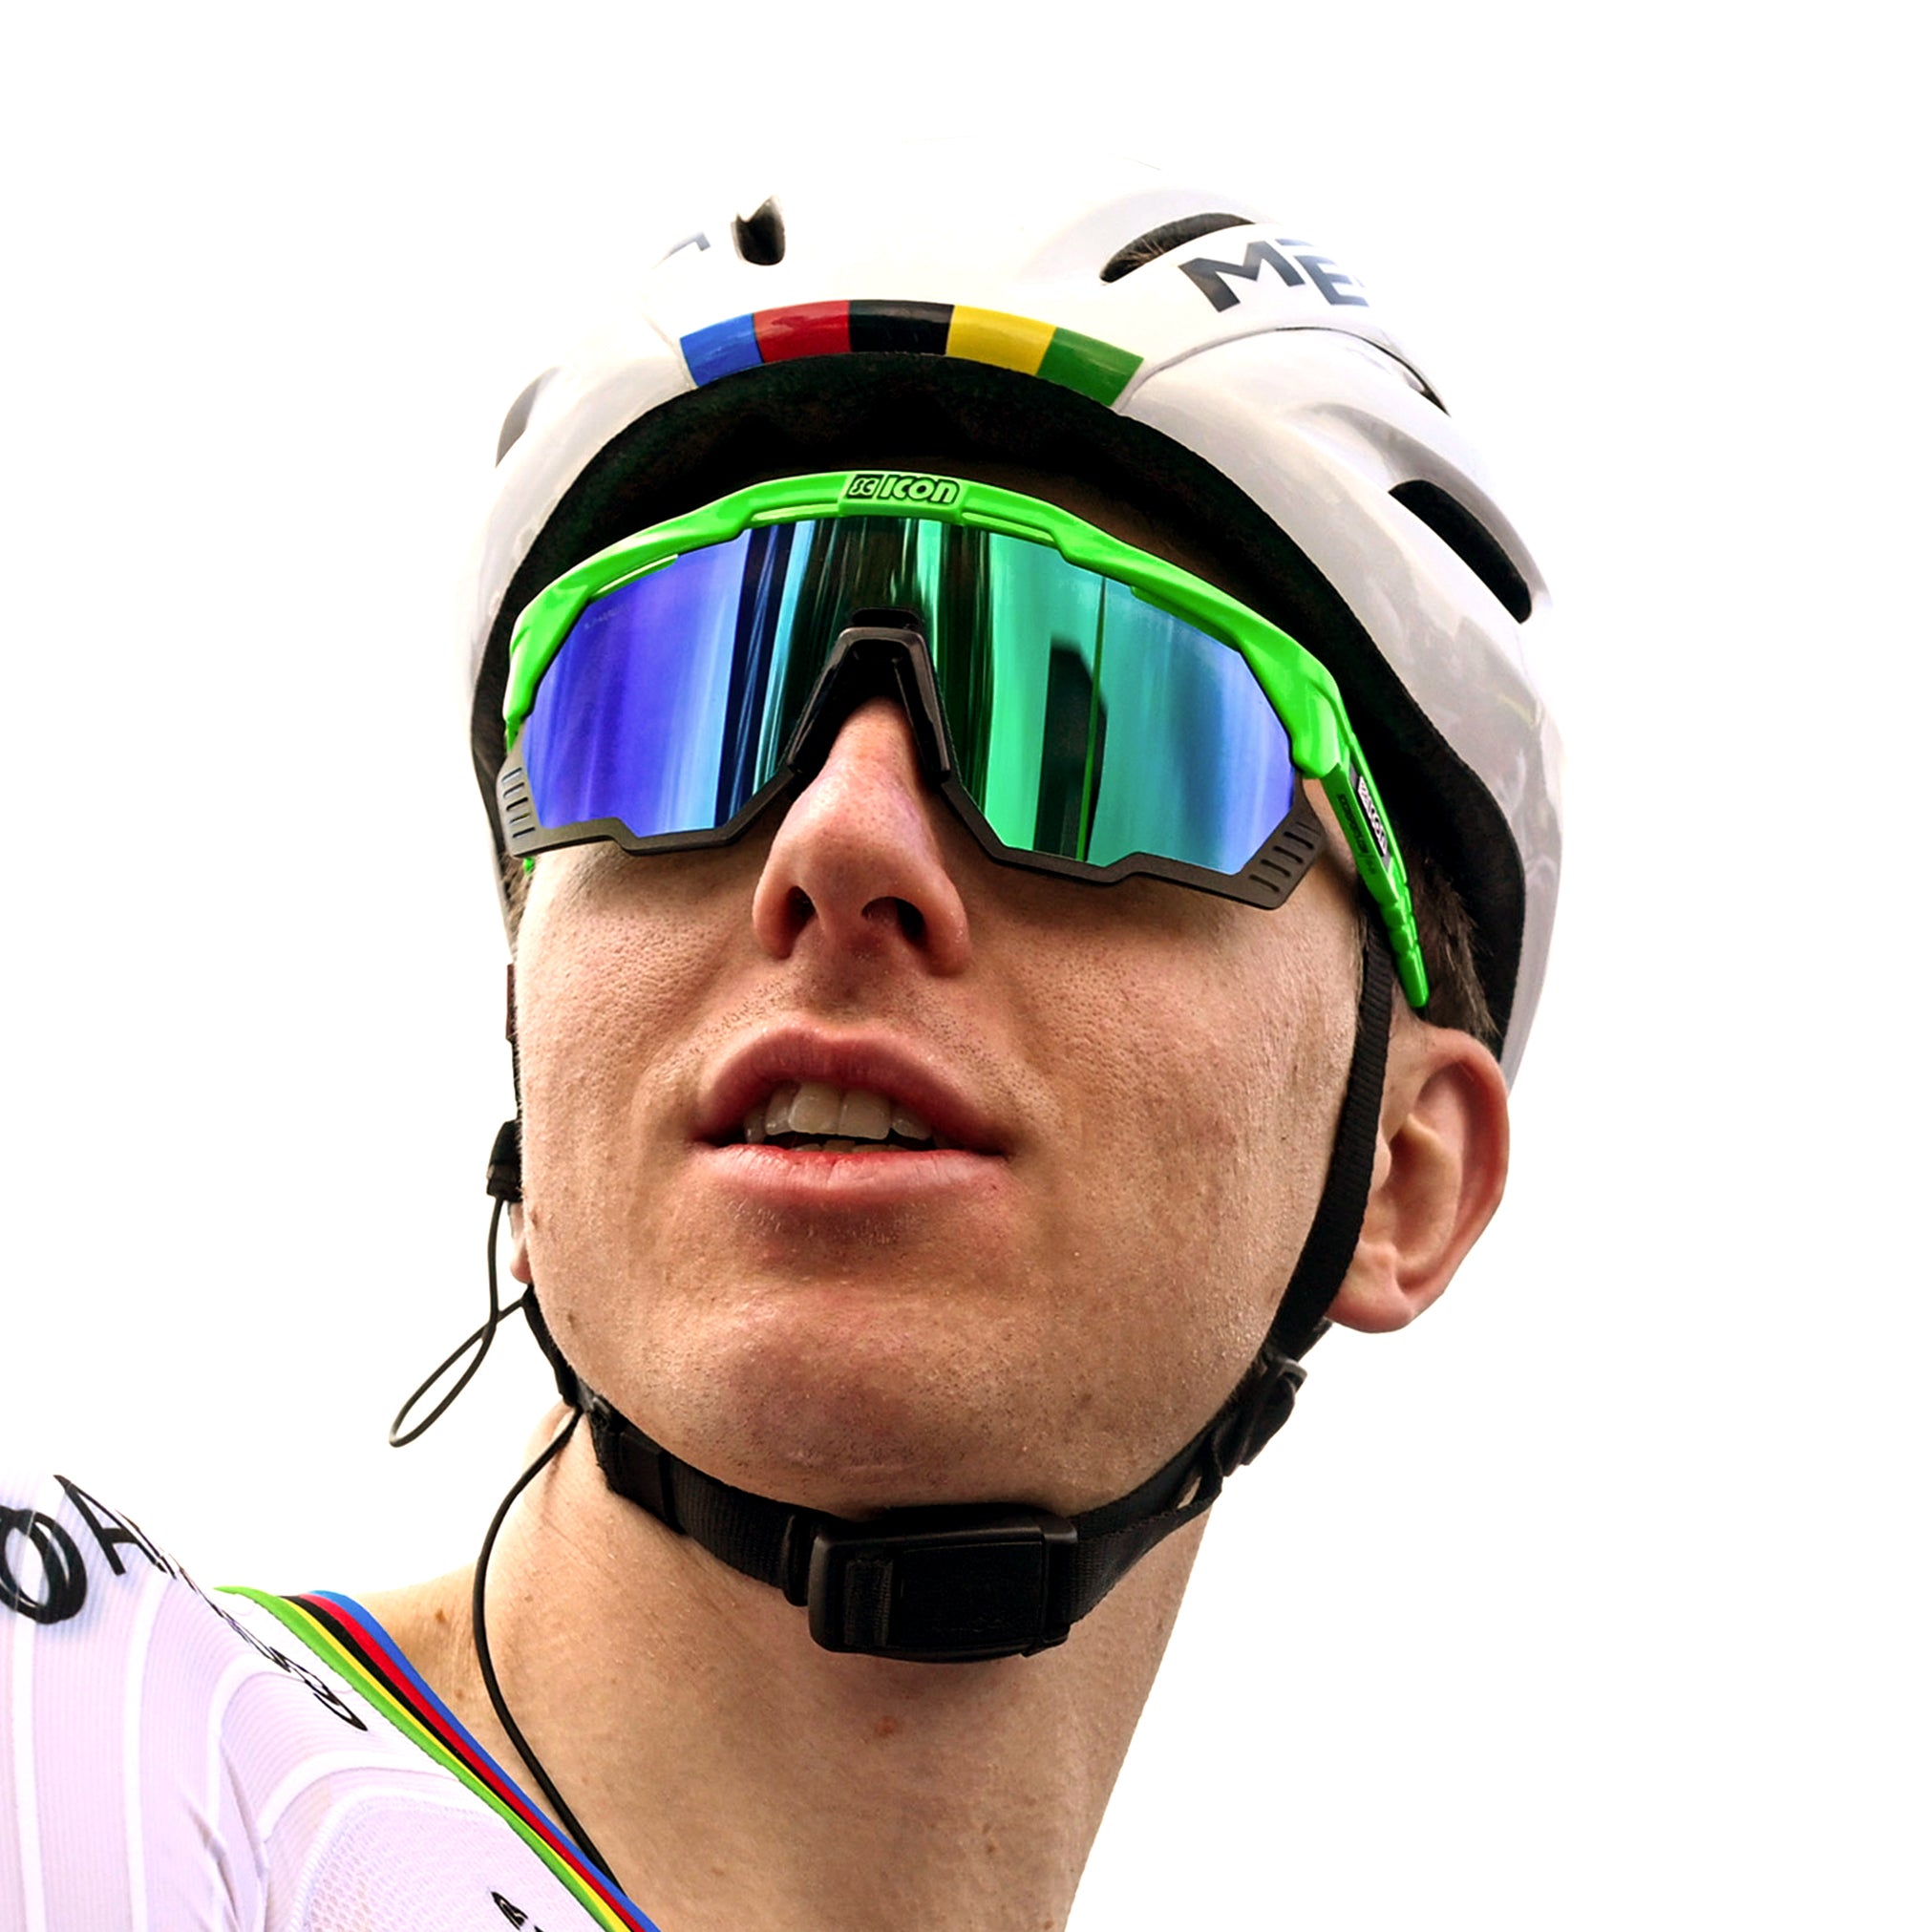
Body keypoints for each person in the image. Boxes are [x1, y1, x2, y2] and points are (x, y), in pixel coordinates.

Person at [0, 151, 1560, 1932]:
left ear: (1403, 1170)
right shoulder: (70, 1735)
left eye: (1099, 728)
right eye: (672, 699)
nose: (839, 839)